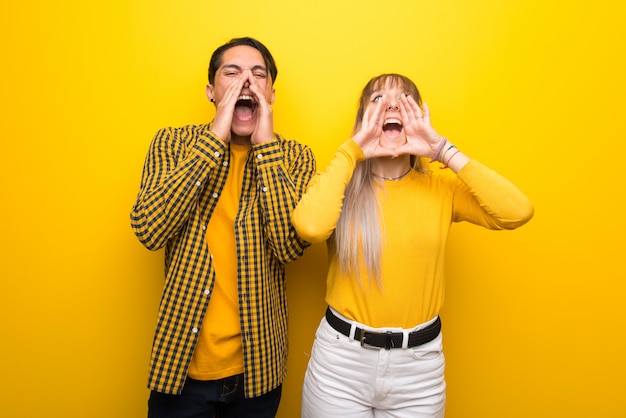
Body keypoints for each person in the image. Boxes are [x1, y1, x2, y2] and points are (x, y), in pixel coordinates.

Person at [292, 73, 534, 418]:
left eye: (403, 99)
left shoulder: (442, 190)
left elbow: (517, 212)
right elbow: (311, 228)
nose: (391, 104)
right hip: (340, 364)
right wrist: (352, 150)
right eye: (378, 100)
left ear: (417, 117)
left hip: (419, 370)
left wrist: (442, 150)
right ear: (363, 119)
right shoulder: (337, 185)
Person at [130, 37, 316, 418]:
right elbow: (149, 229)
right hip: (181, 369)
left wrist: (265, 149)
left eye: (257, 74)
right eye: (232, 72)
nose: (245, 81)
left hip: (257, 374)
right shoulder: (173, 143)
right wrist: (214, 139)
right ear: (211, 91)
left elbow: (289, 246)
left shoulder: (295, 157)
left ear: (271, 94)